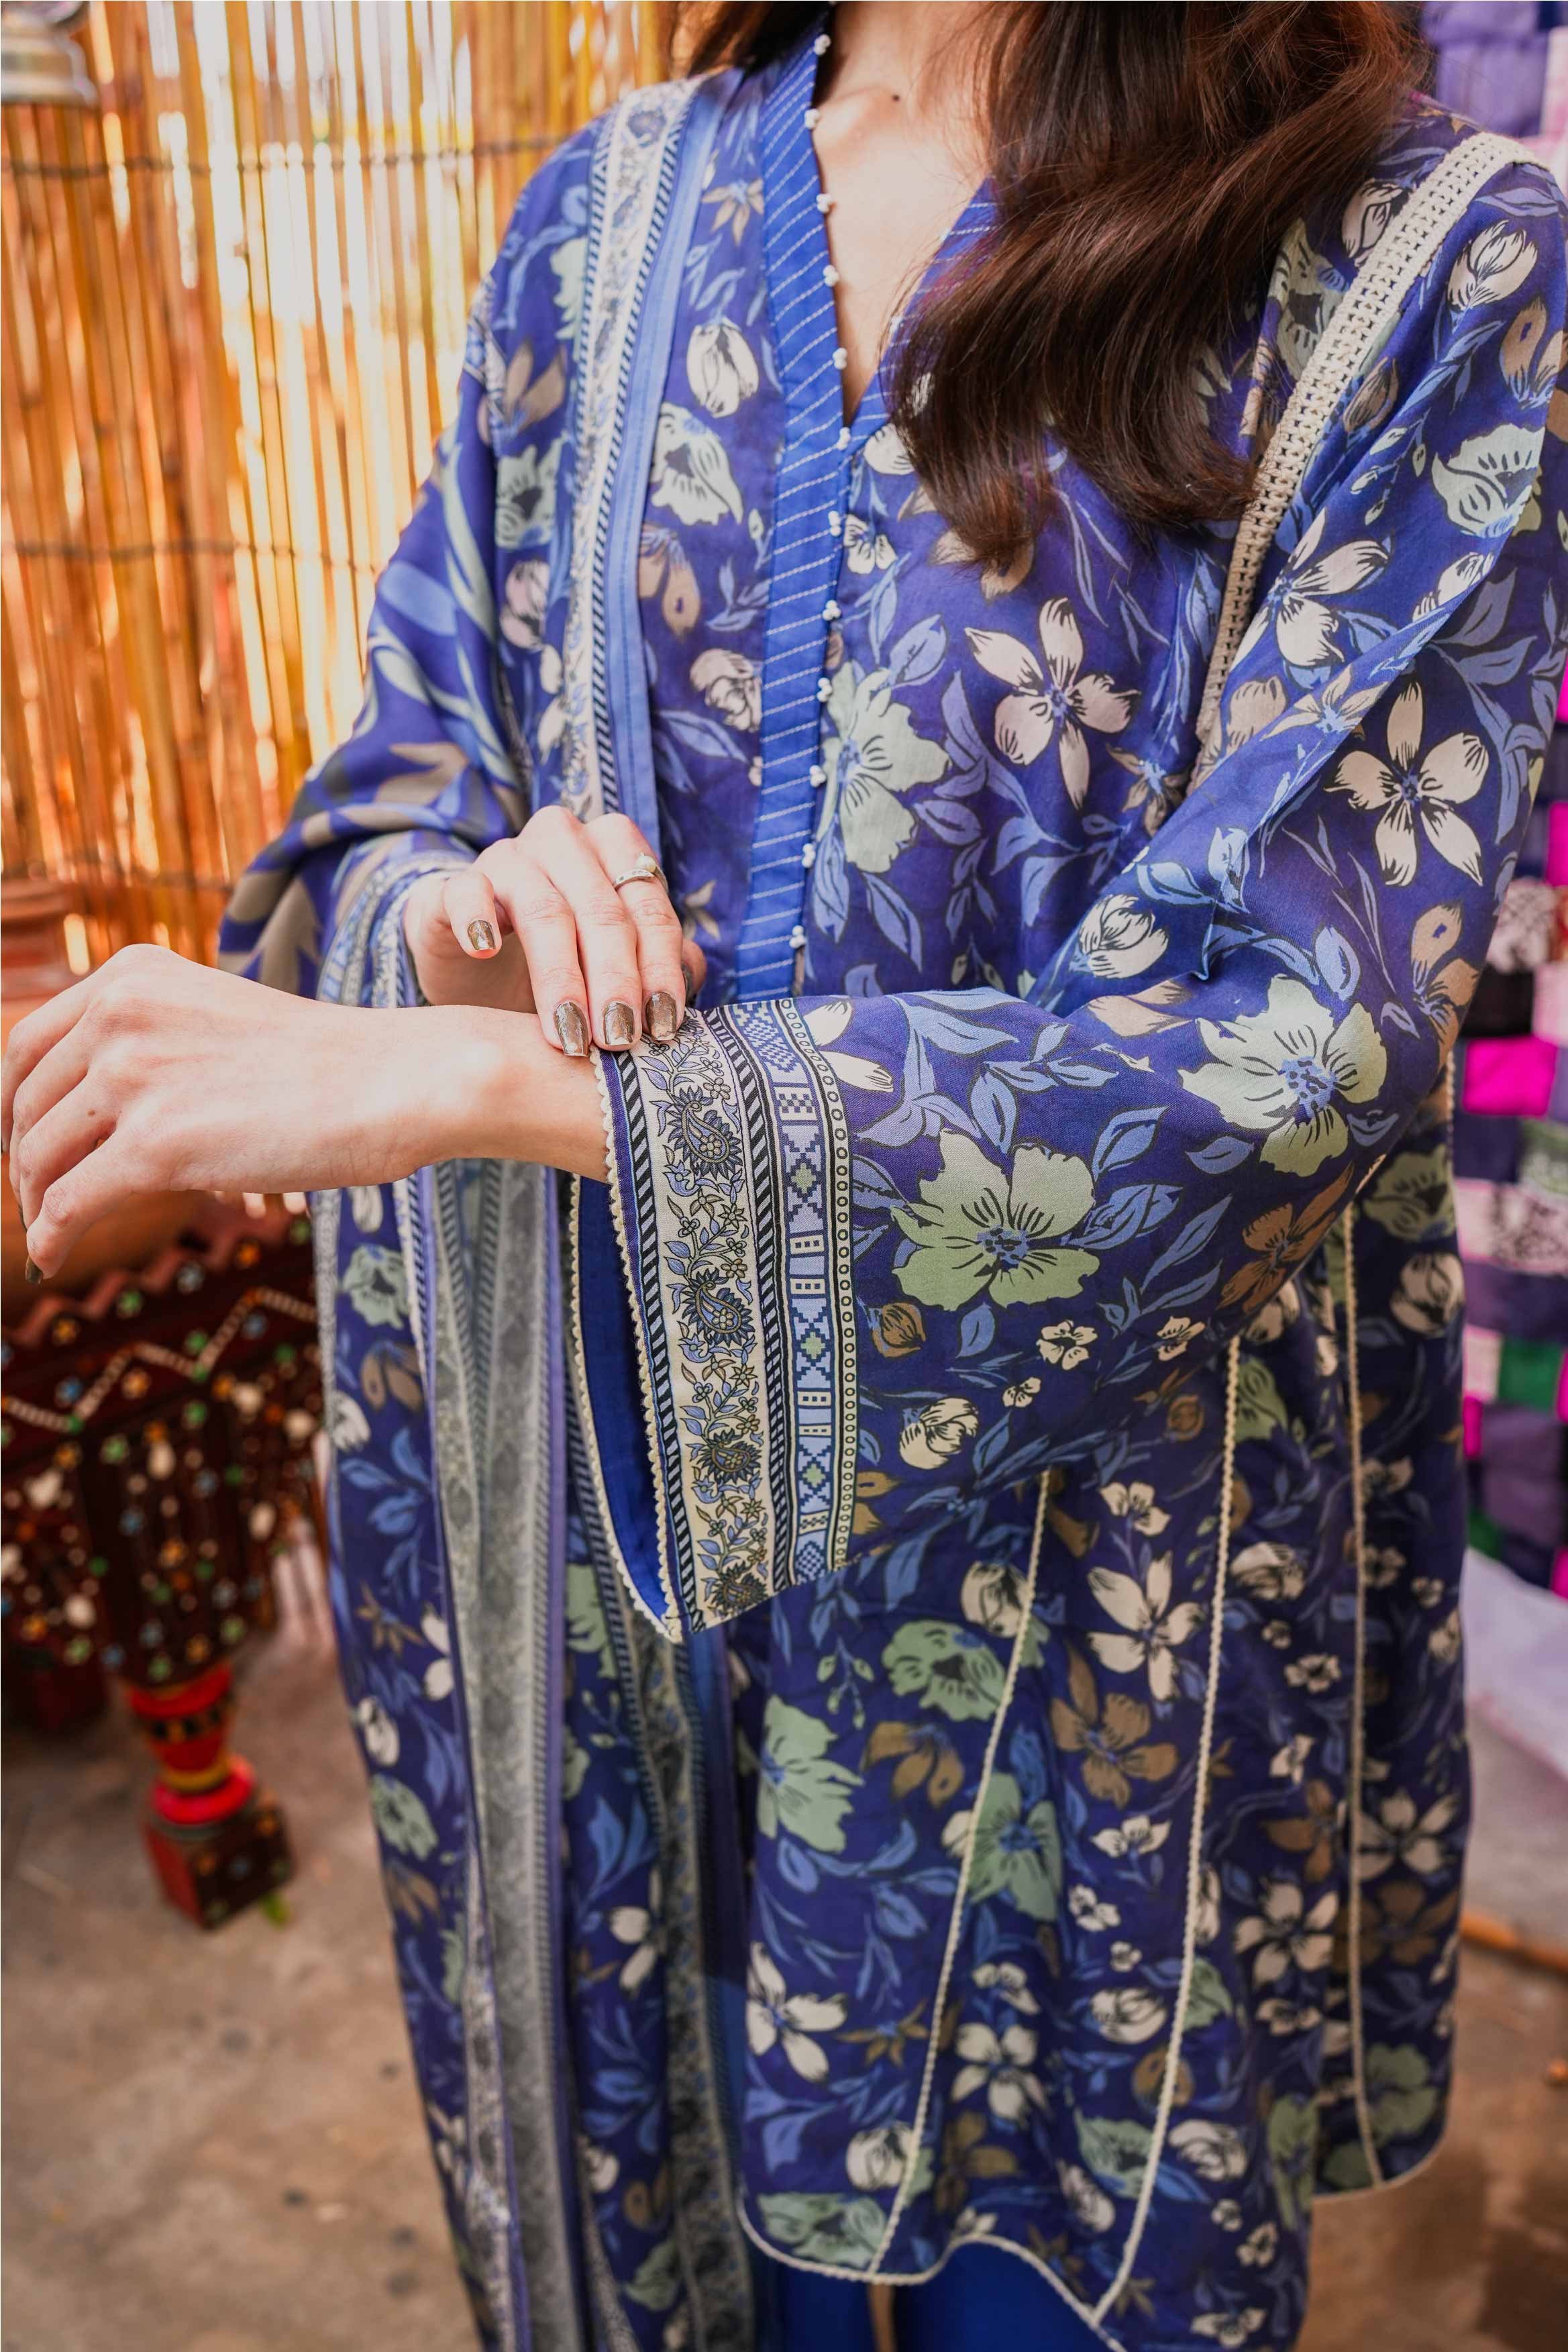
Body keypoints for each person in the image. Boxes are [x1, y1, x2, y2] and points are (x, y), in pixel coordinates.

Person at [5, 5, 1565, 2347]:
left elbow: (1283, 1047)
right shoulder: (602, 222)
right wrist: (454, 912)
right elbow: (415, 746)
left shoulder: (1425, 261)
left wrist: (473, 1092)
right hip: (612, 1580)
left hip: (1097, 1621)